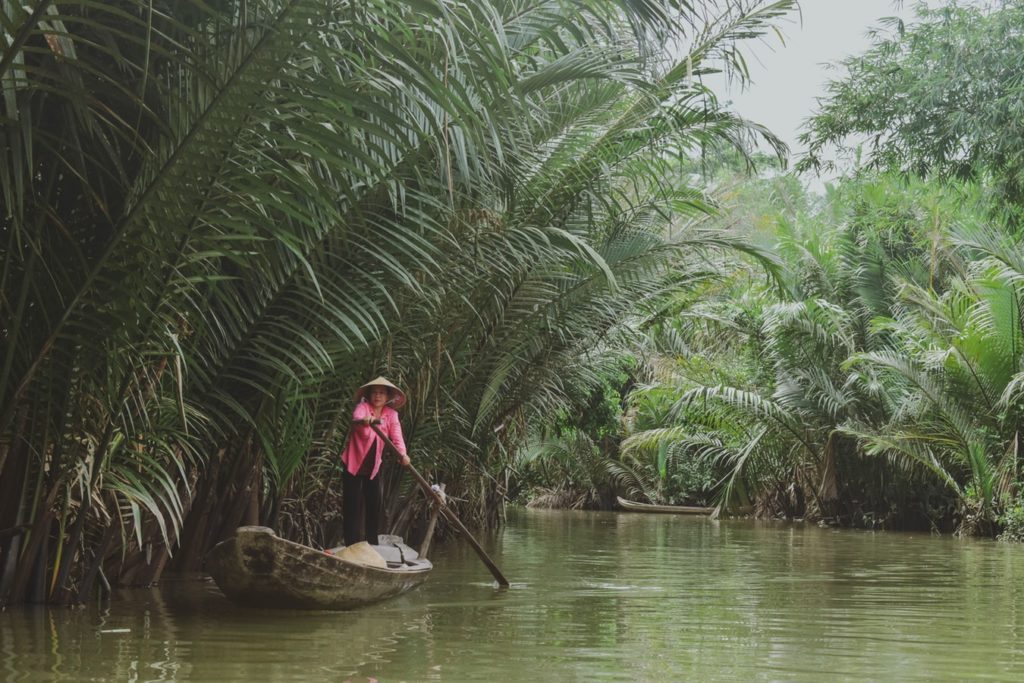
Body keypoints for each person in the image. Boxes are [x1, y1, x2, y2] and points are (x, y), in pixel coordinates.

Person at [340, 376, 411, 546]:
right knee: (352, 505)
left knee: (374, 505)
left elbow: (397, 438)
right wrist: (366, 422)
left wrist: (403, 454)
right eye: (374, 393)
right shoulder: (363, 408)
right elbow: (357, 419)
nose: (377, 396)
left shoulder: (391, 415)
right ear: (369, 395)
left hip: (373, 466)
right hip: (353, 464)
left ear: (387, 397)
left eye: (381, 393)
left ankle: (372, 544)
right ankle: (351, 544)